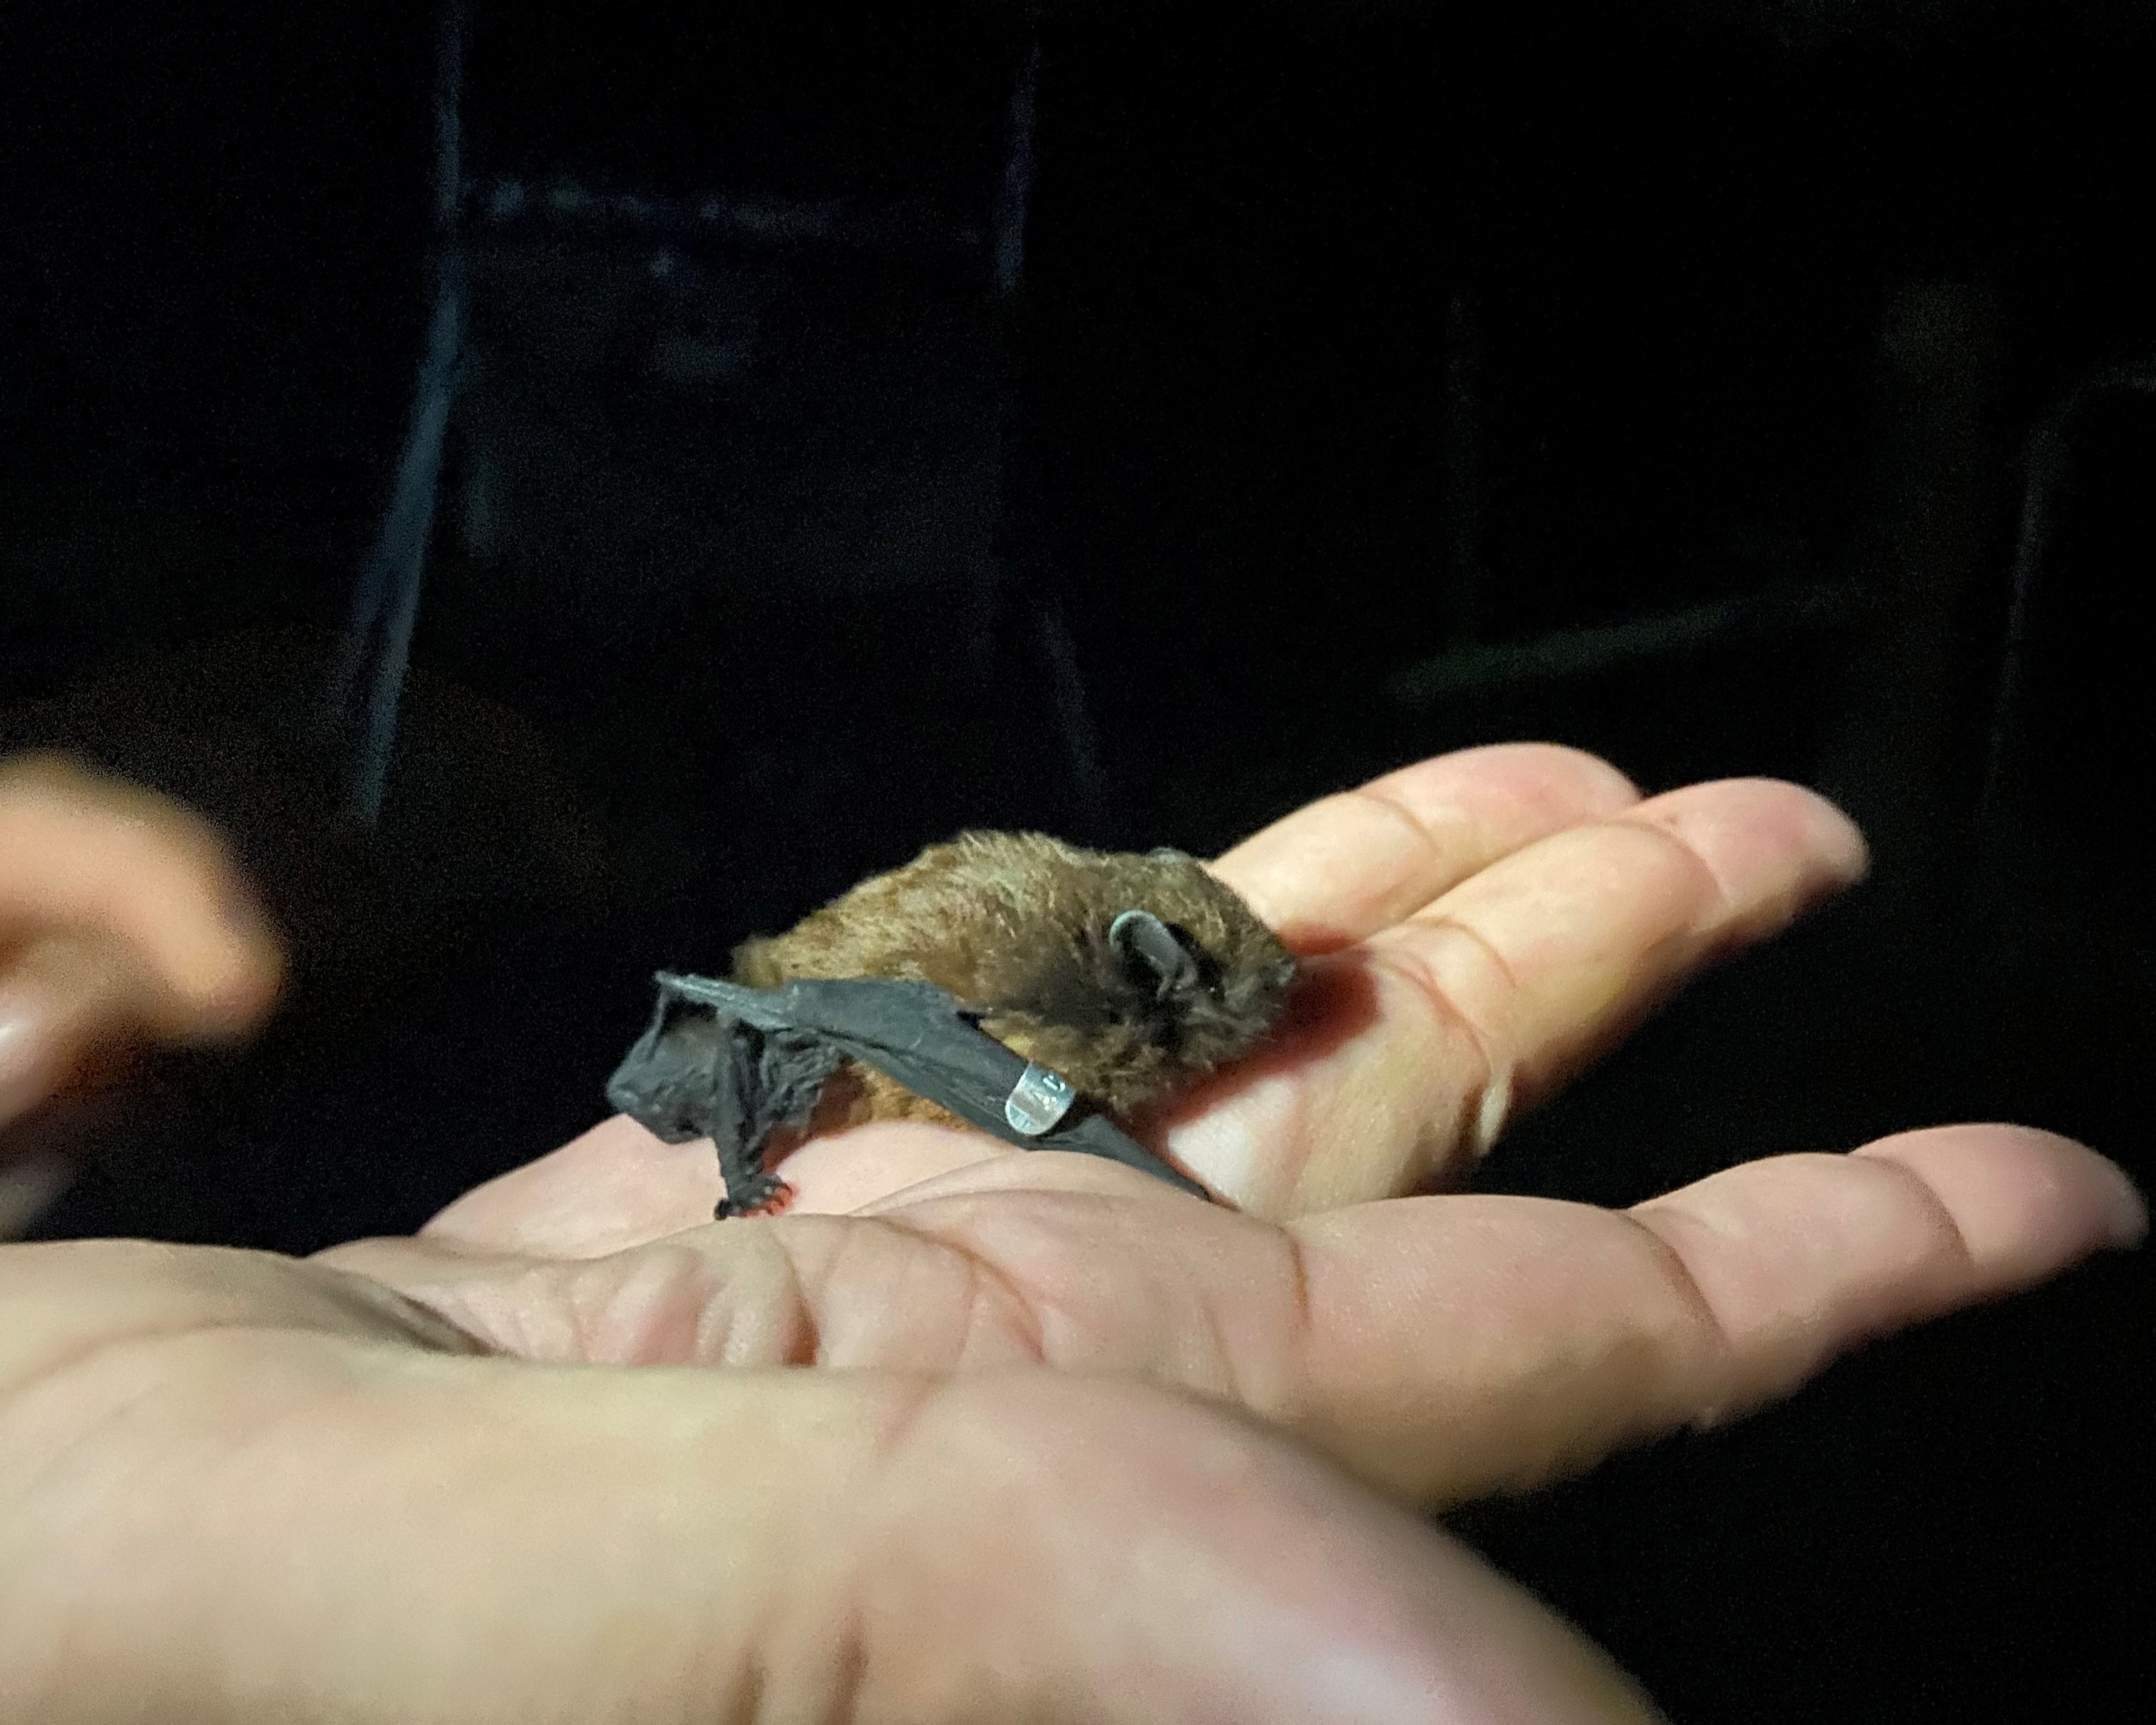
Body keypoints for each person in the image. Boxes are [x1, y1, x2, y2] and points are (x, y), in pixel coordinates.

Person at [0, 744, 2141, 1724]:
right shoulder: (1008, 1013)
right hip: (834, 1027)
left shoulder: (1125, 951)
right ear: (1127, 979)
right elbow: (929, 1026)